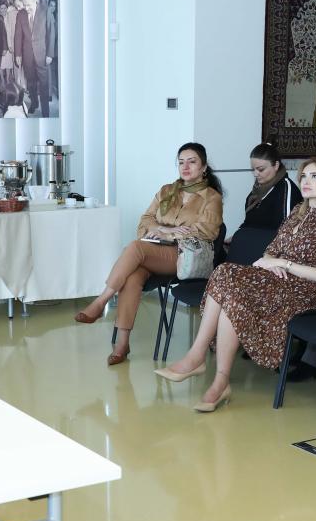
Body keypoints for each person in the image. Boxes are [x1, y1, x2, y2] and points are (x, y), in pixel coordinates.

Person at [157, 158, 316, 413]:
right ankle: (217, 378)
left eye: (315, 176)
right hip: (273, 280)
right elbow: (271, 250)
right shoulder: (298, 212)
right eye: (304, 176)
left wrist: (284, 264)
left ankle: (199, 359)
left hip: (302, 291)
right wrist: (273, 262)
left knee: (228, 282)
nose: (306, 181)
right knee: (227, 280)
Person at [75, 143, 224, 365]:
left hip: (184, 256)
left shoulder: (212, 197)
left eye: (192, 162)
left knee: (135, 248)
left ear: (203, 167)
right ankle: (122, 345)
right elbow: (146, 220)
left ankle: (102, 300)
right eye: (181, 162)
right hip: (155, 252)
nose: (185, 167)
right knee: (132, 277)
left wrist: (168, 234)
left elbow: (208, 230)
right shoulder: (167, 191)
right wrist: (162, 229)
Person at [240, 142, 297, 232]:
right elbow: (248, 222)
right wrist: (238, 235)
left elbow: (285, 228)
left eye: (261, 169)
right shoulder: (257, 189)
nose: (255, 174)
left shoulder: (286, 188)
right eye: (253, 169)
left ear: (276, 166)